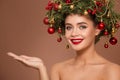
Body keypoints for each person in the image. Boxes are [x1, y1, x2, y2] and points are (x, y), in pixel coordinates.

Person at [7, 0, 120, 80]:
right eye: (69, 27)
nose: (74, 33)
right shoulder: (58, 69)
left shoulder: (112, 70)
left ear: (97, 30)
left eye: (82, 26)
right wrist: (41, 68)